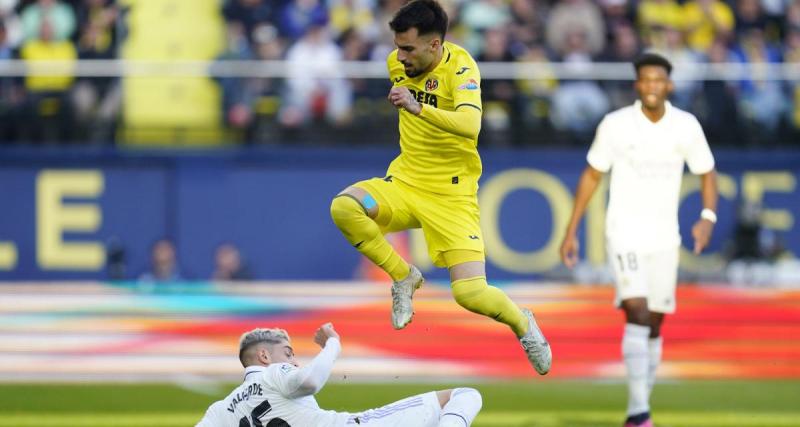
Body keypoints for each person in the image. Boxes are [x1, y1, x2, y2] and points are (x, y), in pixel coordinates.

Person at [329, 0, 551, 375]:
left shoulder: (462, 68)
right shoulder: (395, 64)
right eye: (398, 47)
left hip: (451, 196)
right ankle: (403, 276)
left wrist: (419, 108)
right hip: (404, 183)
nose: (399, 57)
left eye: (409, 49)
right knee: (345, 206)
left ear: (435, 45)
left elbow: (470, 126)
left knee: (470, 294)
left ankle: (522, 323)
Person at [559, 53, 718, 427]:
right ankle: (639, 412)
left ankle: (640, 404)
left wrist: (707, 218)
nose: (651, 86)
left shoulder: (686, 125)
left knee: (656, 323)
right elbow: (592, 175)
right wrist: (571, 230)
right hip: (624, 232)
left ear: (669, 85)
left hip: (665, 237)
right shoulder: (615, 125)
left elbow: (707, 172)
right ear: (637, 85)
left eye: (658, 80)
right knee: (638, 311)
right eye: (645, 80)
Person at [196, 322, 483, 426]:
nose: (293, 360)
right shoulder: (274, 373)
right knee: (463, 396)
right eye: (288, 352)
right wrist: (332, 344)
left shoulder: (220, 410)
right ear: (264, 356)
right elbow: (310, 381)